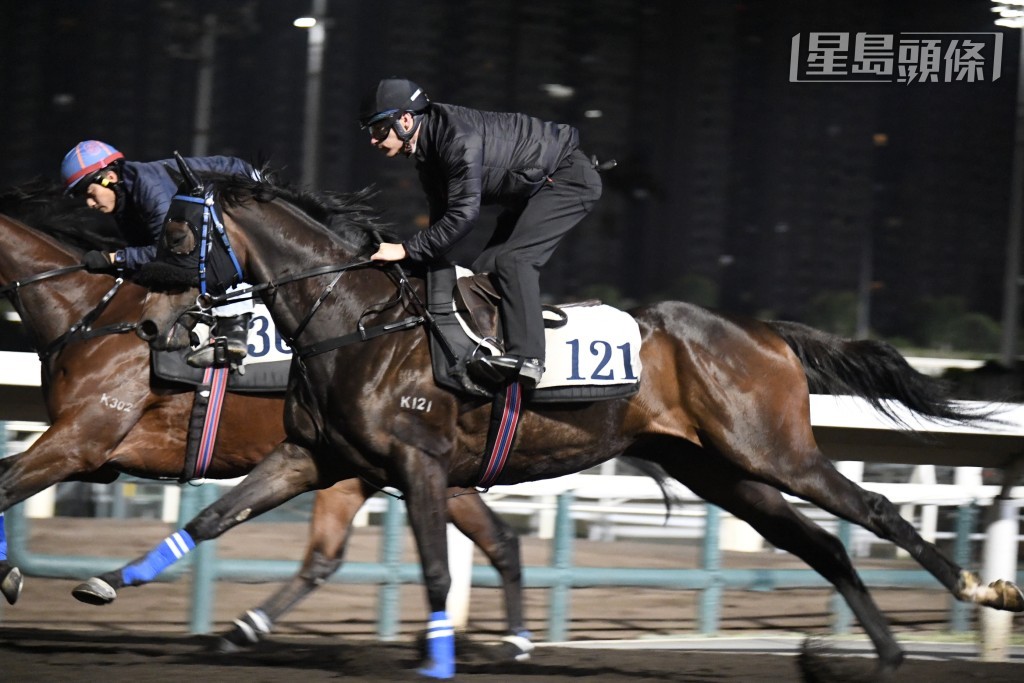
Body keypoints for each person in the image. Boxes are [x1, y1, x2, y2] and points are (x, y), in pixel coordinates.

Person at [360, 78, 602, 387]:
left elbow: (463, 216)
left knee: (514, 261)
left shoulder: (456, 139)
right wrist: (415, 264)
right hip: (533, 191)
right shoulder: (428, 154)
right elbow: (442, 220)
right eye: (369, 131)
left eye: (378, 129)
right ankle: (495, 349)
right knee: (481, 273)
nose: (373, 140)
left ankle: (529, 360)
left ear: (405, 120)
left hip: (567, 178)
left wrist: (407, 250)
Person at [60, 140, 254, 368]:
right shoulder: (124, 203)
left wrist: (114, 259)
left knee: (210, 246)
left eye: (90, 193)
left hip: (246, 188)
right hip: (215, 203)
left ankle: (234, 329)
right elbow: (151, 258)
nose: (90, 203)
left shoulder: (147, 185)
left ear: (110, 178)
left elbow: (172, 251)